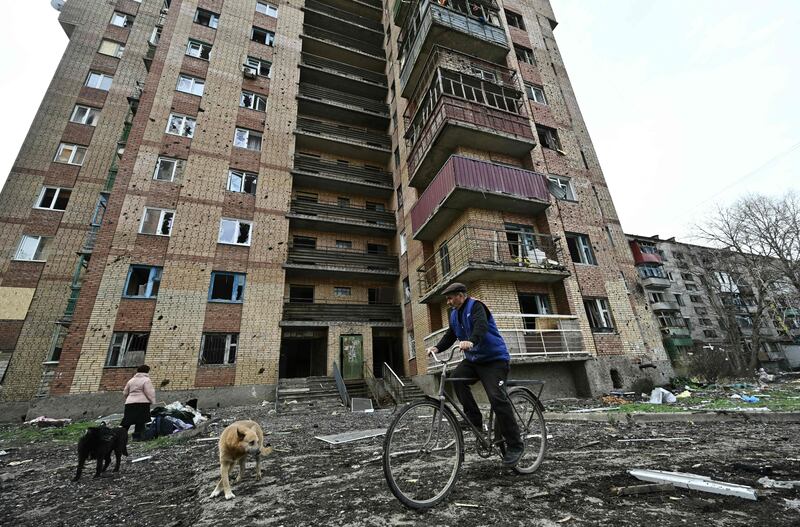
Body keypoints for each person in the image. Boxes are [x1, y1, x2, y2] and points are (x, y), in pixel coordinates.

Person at [426, 282, 524, 466]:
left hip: (494, 360)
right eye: (446, 299)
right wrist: (437, 348)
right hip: (474, 361)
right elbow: (451, 335)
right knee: (456, 378)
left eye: (450, 298)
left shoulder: (476, 306)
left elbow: (481, 326)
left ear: (461, 295)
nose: (448, 302)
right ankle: (475, 419)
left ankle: (515, 445)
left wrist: (471, 341)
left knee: (496, 397)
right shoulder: (454, 314)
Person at [121, 364, 156, 441]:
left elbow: (125, 392)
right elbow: (149, 392)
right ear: (147, 371)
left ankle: (120, 436)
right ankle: (137, 438)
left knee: (127, 420)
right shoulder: (146, 380)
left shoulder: (131, 380)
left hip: (129, 403)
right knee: (140, 421)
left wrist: (129, 399)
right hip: (142, 403)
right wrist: (152, 401)